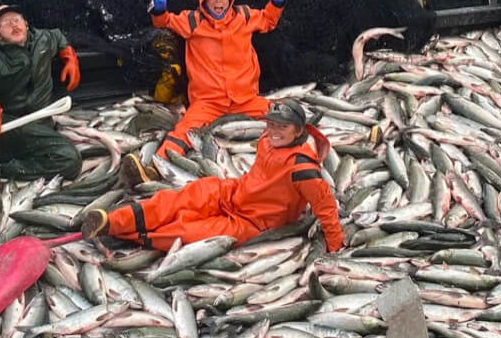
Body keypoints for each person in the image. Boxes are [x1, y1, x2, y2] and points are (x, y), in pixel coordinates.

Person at [82, 98, 344, 252]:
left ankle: (119, 235)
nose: (274, 131)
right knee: (181, 197)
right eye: (271, 124)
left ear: (298, 131)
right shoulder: (266, 138)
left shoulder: (304, 169)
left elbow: (326, 207)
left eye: (282, 127)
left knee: (188, 232)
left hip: (255, 222)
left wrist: (335, 247)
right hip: (234, 191)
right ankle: (112, 219)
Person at [121, 0, 289, 185]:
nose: (219, 1)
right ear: (204, 1)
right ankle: (154, 168)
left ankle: (305, 151)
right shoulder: (192, 21)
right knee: (183, 132)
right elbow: (165, 23)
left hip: (246, 98)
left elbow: (267, 20)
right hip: (208, 102)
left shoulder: (244, 16)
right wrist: (159, 10)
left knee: (285, 115)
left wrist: (277, 1)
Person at [0, 4, 82, 184]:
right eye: (5, 24)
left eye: (17, 20)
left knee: (71, 160)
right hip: (4, 127)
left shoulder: (43, 39)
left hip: (38, 126)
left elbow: (58, 36)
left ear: (26, 24)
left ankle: (3, 171)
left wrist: (69, 56)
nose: (14, 25)